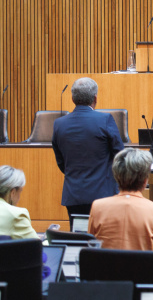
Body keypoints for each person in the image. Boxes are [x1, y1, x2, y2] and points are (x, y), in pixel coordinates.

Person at [52, 77, 124, 221]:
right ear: (95, 98)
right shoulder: (105, 120)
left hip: (73, 195)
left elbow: (61, 161)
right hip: (103, 194)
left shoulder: (59, 124)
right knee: (103, 237)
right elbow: (120, 155)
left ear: (72, 98)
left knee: (78, 238)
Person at [88, 148, 153, 253]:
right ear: (145, 180)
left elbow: (90, 248)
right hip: (142, 269)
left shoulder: (97, 207)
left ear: (116, 176)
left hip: (107, 269)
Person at [0, 165, 38, 239]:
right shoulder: (16, 215)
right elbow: (36, 246)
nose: (19, 198)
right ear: (13, 192)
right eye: (20, 192)